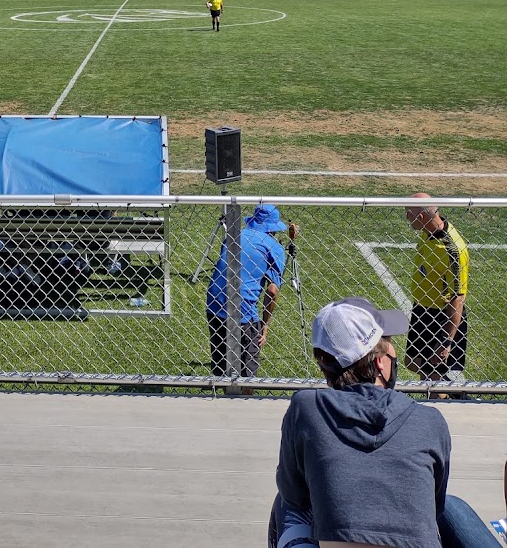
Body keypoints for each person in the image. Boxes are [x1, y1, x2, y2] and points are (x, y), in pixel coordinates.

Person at [269, 296, 495, 548]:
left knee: (285, 502)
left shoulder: (305, 408)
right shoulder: (430, 420)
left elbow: (294, 494)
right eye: (388, 344)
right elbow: (434, 506)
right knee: (452, 507)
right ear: (379, 362)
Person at [205, 203, 286, 378]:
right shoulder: (275, 248)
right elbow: (272, 291)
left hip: (214, 302)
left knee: (222, 367)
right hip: (244, 309)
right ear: (274, 228)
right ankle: (244, 398)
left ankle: (224, 398)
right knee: (247, 372)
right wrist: (263, 326)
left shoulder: (233, 235)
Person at [405, 193, 469, 389]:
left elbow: (458, 299)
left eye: (408, 213)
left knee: (433, 378)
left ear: (421, 218)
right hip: (422, 309)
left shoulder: (452, 250)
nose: (406, 217)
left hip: (442, 316)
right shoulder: (428, 230)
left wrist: (446, 340)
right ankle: (450, 388)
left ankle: (444, 398)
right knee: (412, 362)